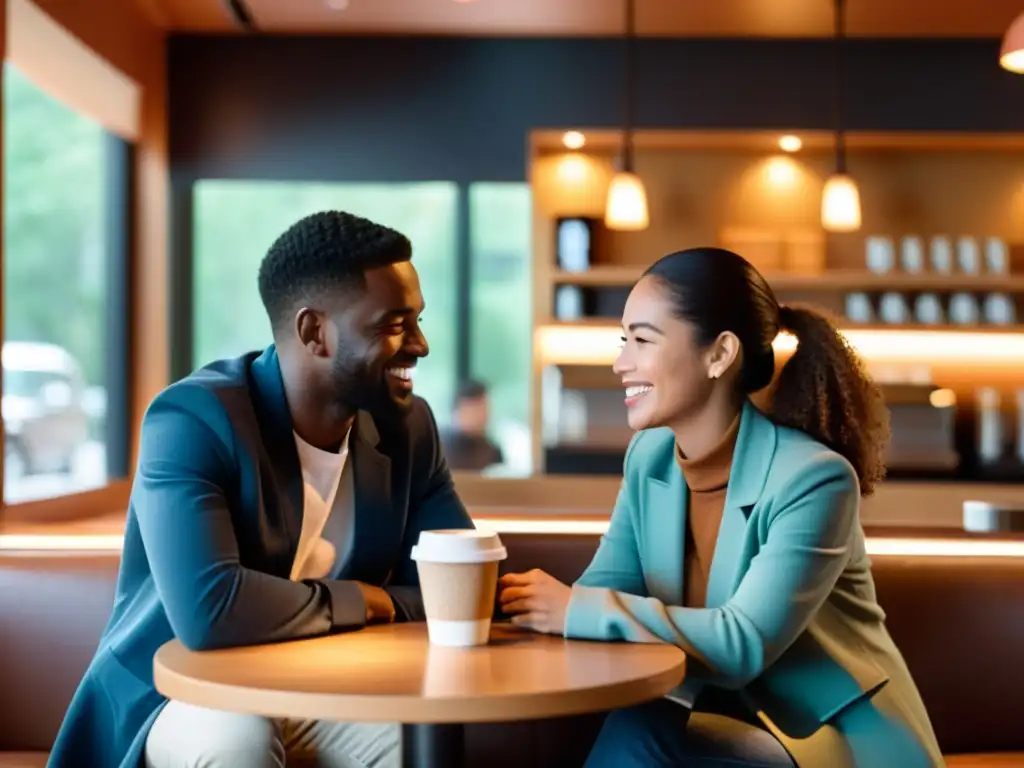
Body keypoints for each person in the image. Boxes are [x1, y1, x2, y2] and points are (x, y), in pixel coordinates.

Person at [48, 211, 475, 768]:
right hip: (182, 688)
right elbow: (211, 612)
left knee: (420, 747)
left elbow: (461, 589)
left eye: (416, 320)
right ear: (313, 331)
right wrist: (366, 599)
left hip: (324, 684)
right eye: (393, 324)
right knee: (237, 746)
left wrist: (377, 605)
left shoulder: (408, 427)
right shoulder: (192, 418)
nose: (419, 344)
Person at [499, 247, 942, 767]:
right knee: (634, 727)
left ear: (719, 354)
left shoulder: (814, 479)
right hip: (727, 723)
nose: (621, 363)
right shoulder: (651, 458)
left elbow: (742, 644)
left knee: (642, 734)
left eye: (642, 340)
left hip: (831, 740)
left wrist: (575, 610)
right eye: (625, 340)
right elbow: (607, 587)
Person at [440, 379, 504, 471]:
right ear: (457, 412)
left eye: (484, 409)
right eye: (475, 410)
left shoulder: (492, 451)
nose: (482, 416)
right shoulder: (438, 448)